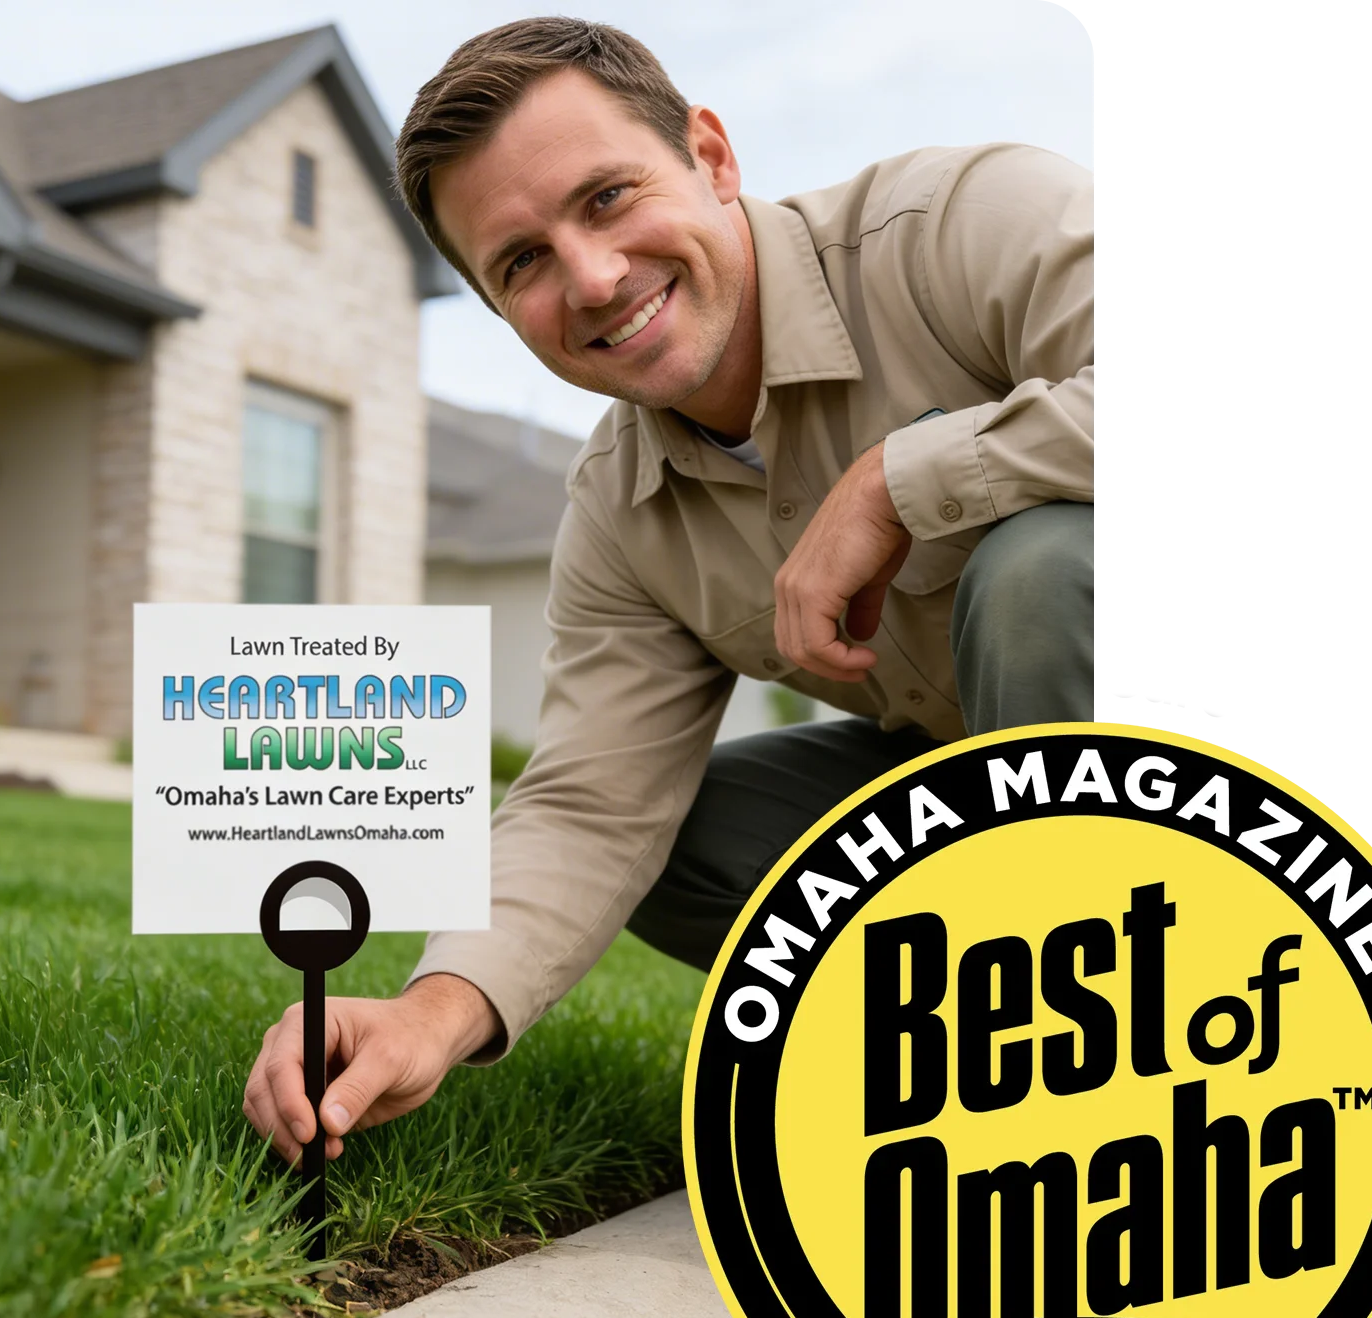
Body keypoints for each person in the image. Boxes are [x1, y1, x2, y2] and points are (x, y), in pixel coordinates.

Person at [240, 17, 1093, 1164]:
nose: (592, 278)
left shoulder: (967, 224)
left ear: (711, 154)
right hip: (985, 800)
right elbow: (591, 805)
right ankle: (977, 1040)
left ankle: (1106, 1069)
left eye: (605, 197)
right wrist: (428, 1012)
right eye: (522, 263)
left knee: (1044, 564)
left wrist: (897, 482)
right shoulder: (618, 512)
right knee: (683, 839)